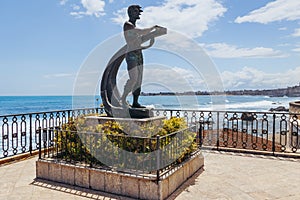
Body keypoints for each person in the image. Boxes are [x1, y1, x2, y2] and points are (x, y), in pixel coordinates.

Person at [120, 5, 157, 108]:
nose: (138, 13)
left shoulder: (134, 29)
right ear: (130, 13)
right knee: (134, 78)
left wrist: (150, 43)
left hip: (139, 54)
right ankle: (123, 99)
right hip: (131, 55)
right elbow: (140, 31)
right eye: (136, 11)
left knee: (139, 80)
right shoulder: (128, 25)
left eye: (138, 11)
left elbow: (139, 45)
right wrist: (153, 28)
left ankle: (135, 102)